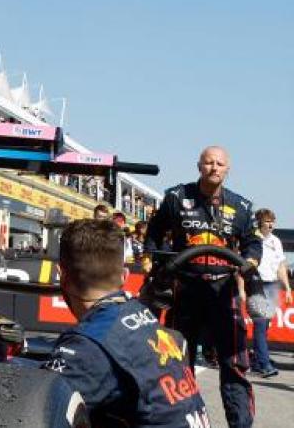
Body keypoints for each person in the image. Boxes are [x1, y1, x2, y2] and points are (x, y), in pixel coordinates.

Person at [44, 219, 211, 427]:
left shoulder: (87, 345)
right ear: (124, 276)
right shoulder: (147, 320)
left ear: (62, 276)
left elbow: (38, 410)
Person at [143, 145, 262, 428]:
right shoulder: (177, 197)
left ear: (228, 169)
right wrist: (155, 263)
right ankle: (181, 420)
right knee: (178, 363)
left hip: (224, 292)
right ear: (199, 166)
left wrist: (251, 261)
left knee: (234, 363)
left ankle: (241, 424)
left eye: (220, 164)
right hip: (185, 289)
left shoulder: (242, 206)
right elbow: (155, 231)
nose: (214, 168)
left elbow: (253, 243)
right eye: (209, 163)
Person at [251, 208, 290, 378]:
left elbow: (281, 266)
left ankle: (258, 361)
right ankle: (265, 364)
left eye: (272, 221)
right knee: (260, 325)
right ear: (260, 222)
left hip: (272, 285)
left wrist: (287, 288)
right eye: (267, 221)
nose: (271, 224)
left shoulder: (276, 241)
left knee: (265, 326)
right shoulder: (252, 239)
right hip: (256, 284)